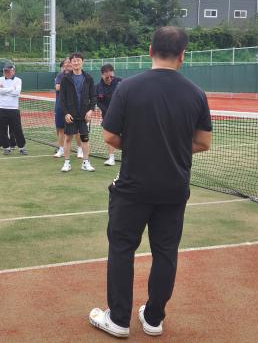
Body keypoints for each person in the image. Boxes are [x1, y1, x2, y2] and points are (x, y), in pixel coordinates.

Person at [89, 27, 212, 338]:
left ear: (149, 50)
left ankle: (118, 319)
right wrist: (170, 148)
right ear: (183, 55)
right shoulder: (196, 93)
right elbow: (203, 142)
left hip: (133, 187)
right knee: (166, 252)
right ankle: (154, 318)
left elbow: (109, 135)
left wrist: (142, 146)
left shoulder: (128, 88)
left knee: (121, 249)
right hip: (174, 188)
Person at [59, 52, 96, 173]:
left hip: (84, 115)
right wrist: (65, 113)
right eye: (73, 61)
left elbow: (93, 96)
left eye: (78, 60)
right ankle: (67, 163)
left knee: (85, 139)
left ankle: (86, 163)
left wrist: (90, 110)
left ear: (82, 62)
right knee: (68, 138)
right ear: (70, 63)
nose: (76, 62)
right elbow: (62, 98)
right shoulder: (65, 79)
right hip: (71, 114)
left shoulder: (88, 78)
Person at [53, 57, 83, 159]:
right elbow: (57, 87)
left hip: (75, 107)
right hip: (60, 106)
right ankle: (61, 149)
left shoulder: (79, 76)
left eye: (68, 63)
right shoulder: (60, 76)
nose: (66, 64)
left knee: (77, 129)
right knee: (61, 129)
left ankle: (80, 150)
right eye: (65, 63)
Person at [0, 62, 27, 155]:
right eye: (5, 71)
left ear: (13, 71)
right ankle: (6, 147)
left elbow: (16, 93)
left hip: (14, 109)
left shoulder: (18, 80)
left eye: (8, 71)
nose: (6, 73)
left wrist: (5, 89)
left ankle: (21, 147)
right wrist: (11, 88)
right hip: (1, 108)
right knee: (2, 129)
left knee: (17, 129)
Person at [96, 64, 122, 166]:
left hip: (122, 114)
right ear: (102, 75)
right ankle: (111, 158)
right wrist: (108, 112)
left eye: (112, 76)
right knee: (110, 137)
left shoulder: (121, 82)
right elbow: (98, 102)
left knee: (126, 135)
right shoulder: (98, 87)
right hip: (107, 115)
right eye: (107, 77)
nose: (110, 78)